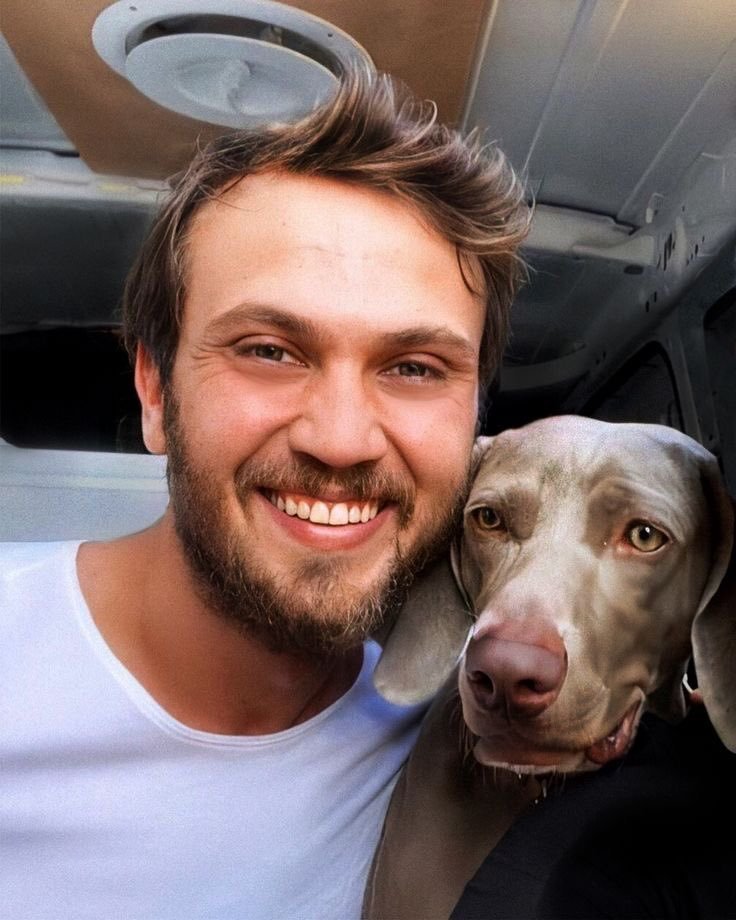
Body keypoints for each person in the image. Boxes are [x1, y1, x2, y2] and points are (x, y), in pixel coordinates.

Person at [0, 70, 530, 919]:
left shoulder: (474, 729)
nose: (342, 439)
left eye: (413, 367)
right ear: (155, 390)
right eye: (269, 350)